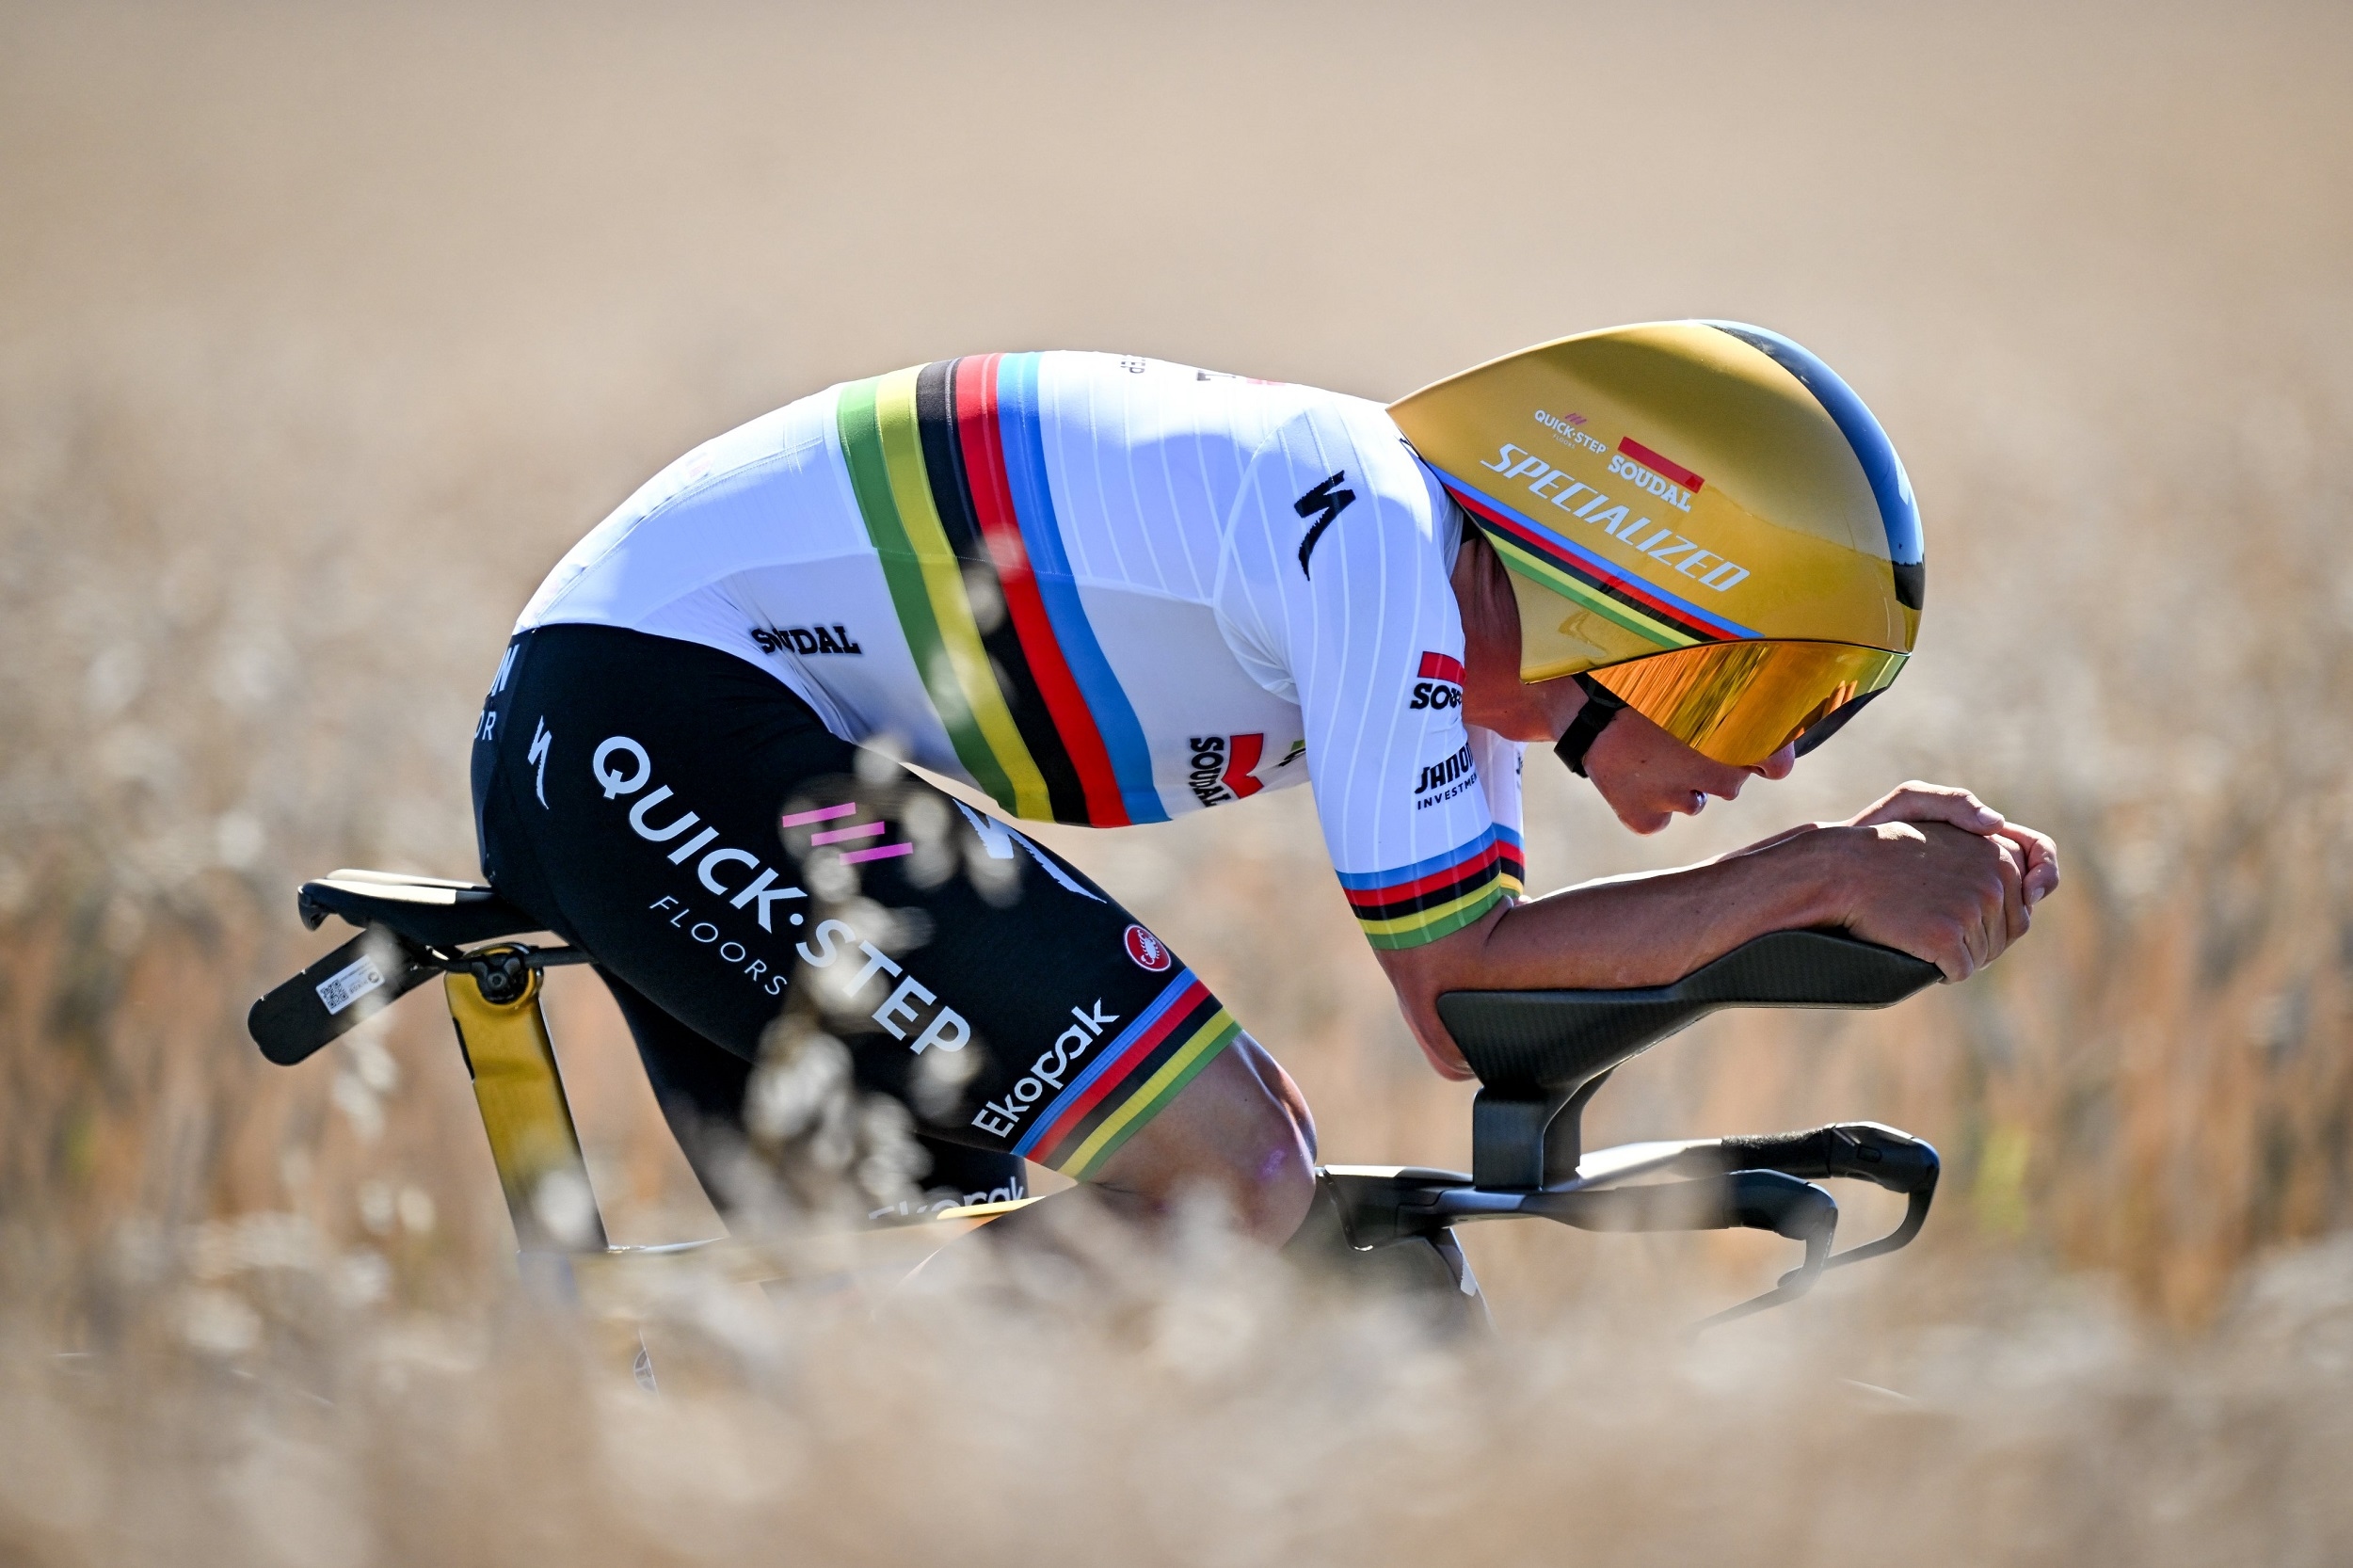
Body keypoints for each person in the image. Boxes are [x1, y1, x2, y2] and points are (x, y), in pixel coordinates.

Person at [469, 323, 2057, 1250]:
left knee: (955, 1259)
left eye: (1820, 717)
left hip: (660, 720)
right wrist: (1810, 878)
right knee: (1235, 1169)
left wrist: (1817, 916)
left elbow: (1480, 1021)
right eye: (1761, 685)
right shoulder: (1377, 542)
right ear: (1627, 599)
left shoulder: (1456, 639)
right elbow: (1457, 982)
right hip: (656, 716)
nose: (1773, 757)